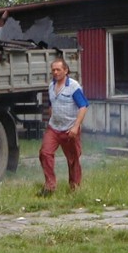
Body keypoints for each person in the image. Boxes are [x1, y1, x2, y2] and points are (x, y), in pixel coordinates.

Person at [38, 57, 89, 195]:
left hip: (69, 129)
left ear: (65, 71)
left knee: (73, 159)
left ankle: (75, 187)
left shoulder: (73, 87)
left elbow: (83, 107)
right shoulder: (51, 86)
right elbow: (51, 104)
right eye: (53, 70)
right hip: (54, 128)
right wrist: (52, 117)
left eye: (58, 69)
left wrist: (75, 127)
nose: (55, 72)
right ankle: (50, 186)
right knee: (45, 153)